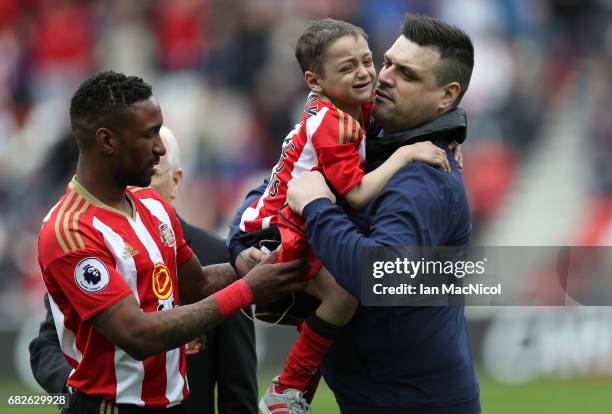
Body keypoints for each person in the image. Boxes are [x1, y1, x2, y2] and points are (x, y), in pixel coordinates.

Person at [229, 14, 480, 414]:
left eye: (408, 75)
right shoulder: (374, 135)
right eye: (389, 63)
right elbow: (276, 187)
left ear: (446, 96)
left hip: (413, 403)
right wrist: (243, 248)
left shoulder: (423, 179)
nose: (383, 77)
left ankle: (290, 388)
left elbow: (377, 275)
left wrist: (317, 207)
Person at [37, 71, 306, 413]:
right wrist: (248, 290)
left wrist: (247, 266)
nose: (161, 147)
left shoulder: (152, 205)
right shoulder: (69, 231)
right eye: (149, 134)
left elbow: (197, 283)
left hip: (174, 403)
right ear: (107, 141)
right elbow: (137, 335)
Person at [30, 126, 258, 413]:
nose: (135, 187)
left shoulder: (217, 255)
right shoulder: (84, 243)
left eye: (151, 173)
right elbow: (47, 345)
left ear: (175, 182)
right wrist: (81, 393)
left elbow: (238, 386)